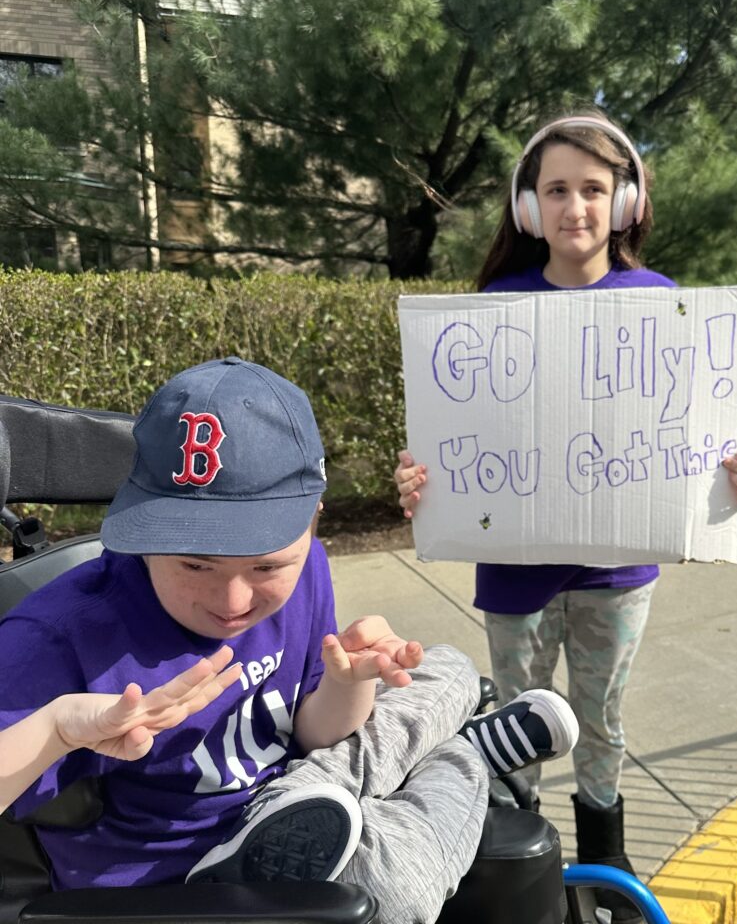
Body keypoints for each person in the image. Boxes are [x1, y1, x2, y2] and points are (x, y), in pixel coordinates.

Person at [0, 356, 580, 924]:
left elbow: (309, 732)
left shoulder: (308, 570)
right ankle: (463, 755)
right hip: (194, 887)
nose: (233, 603)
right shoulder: (59, 636)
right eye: (194, 566)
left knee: (446, 665)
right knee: (396, 894)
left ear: (315, 518)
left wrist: (348, 684)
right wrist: (55, 728)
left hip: (305, 800)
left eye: (265, 567)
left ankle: (430, 757)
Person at [394, 111, 737, 923]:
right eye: (556, 189)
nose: (576, 208)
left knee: (602, 720)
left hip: (617, 577)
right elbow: (461, 442)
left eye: (593, 190)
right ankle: (517, 856)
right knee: (516, 724)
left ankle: (607, 855)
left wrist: (732, 479)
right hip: (514, 579)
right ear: (529, 208)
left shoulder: (663, 307)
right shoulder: (494, 309)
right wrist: (424, 483)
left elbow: (694, 445)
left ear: (625, 200)